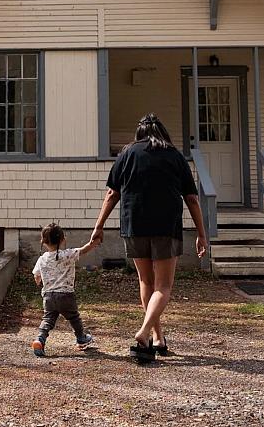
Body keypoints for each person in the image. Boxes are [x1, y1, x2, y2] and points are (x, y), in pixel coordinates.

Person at [91, 113, 208, 362]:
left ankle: (157, 338)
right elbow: (192, 198)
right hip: (166, 226)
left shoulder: (127, 154)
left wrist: (98, 226)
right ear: (162, 132)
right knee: (163, 287)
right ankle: (145, 331)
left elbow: (112, 194)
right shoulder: (174, 156)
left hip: (134, 225)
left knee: (146, 283)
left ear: (139, 134)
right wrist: (201, 233)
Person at [31, 222, 99, 357]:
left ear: (43, 241)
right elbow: (83, 250)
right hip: (66, 295)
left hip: (49, 296)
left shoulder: (42, 259)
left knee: (48, 319)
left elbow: (36, 276)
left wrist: (39, 281)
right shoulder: (67, 255)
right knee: (74, 317)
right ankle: (81, 338)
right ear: (62, 240)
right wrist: (93, 242)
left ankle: (40, 339)